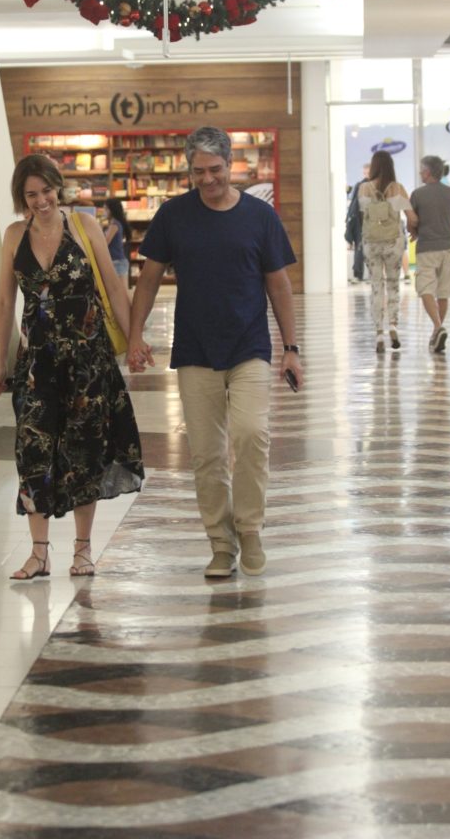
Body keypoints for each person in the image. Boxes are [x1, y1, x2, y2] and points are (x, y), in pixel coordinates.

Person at [127, 126, 303, 579]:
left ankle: (250, 529)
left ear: (231, 166)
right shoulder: (173, 215)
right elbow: (148, 279)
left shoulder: (259, 218)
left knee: (250, 435)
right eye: (198, 171)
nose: (207, 179)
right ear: (189, 170)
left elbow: (279, 284)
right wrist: (134, 334)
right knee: (205, 453)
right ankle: (221, 544)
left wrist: (291, 348)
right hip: (195, 350)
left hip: (249, 347)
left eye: (216, 170)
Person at [0, 154, 144, 581]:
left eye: (47, 191)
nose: (41, 201)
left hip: (87, 363)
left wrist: (134, 342)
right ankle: (39, 553)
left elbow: (113, 287)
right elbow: (4, 302)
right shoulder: (14, 236)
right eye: (31, 195)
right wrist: (0, 362)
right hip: (36, 364)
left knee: (84, 452)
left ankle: (82, 550)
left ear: (59, 187)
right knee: (32, 452)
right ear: (22, 199)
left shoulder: (83, 225)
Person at [358, 150, 417, 353]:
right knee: (393, 284)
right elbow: (412, 218)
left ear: (373, 166)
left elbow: (363, 213)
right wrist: (412, 230)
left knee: (376, 286)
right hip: (393, 242)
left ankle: (378, 334)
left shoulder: (364, 188)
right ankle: (392, 325)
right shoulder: (397, 189)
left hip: (371, 243)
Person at [409, 155, 450, 354]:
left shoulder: (417, 195)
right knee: (444, 291)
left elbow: (412, 223)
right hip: (448, 247)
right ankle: (436, 332)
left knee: (426, 288)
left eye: (422, 169)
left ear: (428, 172)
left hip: (427, 248)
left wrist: (414, 231)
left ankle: (438, 327)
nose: (420, 172)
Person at [345, 163, 370, 283]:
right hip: (360, 222)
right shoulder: (359, 185)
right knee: (359, 249)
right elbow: (354, 205)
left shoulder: (376, 185)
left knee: (371, 249)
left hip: (372, 222)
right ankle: (358, 274)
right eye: (365, 173)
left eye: (368, 173)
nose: (366, 175)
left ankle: (372, 274)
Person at [103, 197, 131, 279]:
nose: (104, 212)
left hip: (117, 262)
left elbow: (105, 243)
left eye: (105, 209)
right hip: (117, 261)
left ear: (111, 210)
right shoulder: (114, 223)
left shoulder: (114, 225)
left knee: (121, 291)